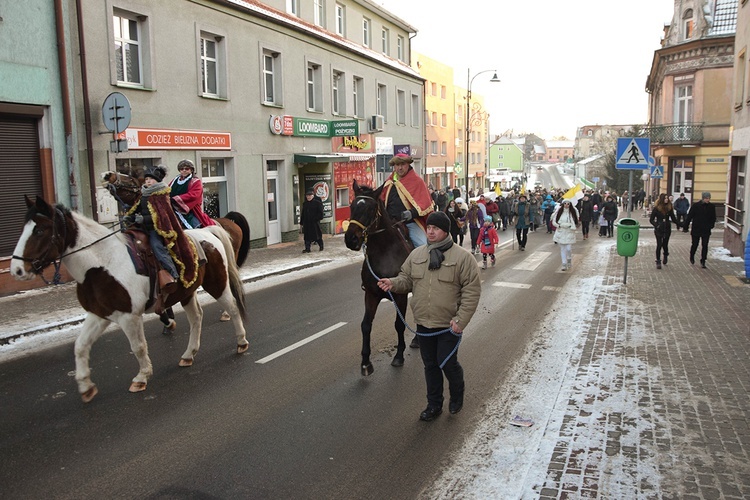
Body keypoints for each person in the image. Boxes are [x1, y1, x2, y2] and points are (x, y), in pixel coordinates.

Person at [376, 211, 481, 421]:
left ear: (445, 231)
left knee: (447, 363)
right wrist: (393, 283)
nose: (430, 232)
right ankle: (434, 405)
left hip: (449, 323)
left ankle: (457, 395)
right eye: (429, 228)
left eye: (435, 228)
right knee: (430, 365)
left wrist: (461, 320)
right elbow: (406, 279)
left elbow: (472, 291)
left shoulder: (462, 258)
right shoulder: (417, 255)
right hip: (423, 323)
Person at [125, 165, 198, 313]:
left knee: (157, 247)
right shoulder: (144, 193)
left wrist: (142, 219)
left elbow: (161, 217)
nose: (148, 181)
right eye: (146, 179)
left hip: (157, 230)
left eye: (150, 179)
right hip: (142, 228)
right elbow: (136, 208)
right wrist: (130, 217)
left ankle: (172, 272)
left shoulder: (161, 194)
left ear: (157, 181)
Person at [380, 154, 434, 248]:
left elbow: (425, 204)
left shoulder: (417, 182)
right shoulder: (389, 182)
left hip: (410, 223)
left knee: (423, 247)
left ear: (408, 165)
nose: (400, 168)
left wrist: (411, 213)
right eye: (397, 165)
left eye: (403, 164)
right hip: (390, 223)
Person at [168, 159, 216, 229]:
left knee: (195, 225)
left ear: (191, 170)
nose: (184, 170)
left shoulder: (195, 181)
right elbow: (168, 190)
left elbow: (194, 195)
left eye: (186, 168)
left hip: (190, 209)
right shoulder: (175, 180)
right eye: (181, 169)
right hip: (173, 207)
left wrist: (176, 199)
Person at [683, 192, 717, 268]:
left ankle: (703, 260)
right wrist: (686, 226)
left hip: (706, 229)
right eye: (706, 198)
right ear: (703, 198)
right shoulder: (696, 206)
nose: (708, 200)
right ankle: (692, 255)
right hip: (696, 229)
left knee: (705, 245)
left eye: (709, 198)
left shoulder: (711, 207)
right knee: (695, 244)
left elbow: (713, 218)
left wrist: (711, 225)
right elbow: (690, 216)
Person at [649, 193, 678, 269]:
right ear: (662, 199)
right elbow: (651, 220)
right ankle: (658, 261)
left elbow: (674, 219)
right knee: (659, 245)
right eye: (665, 198)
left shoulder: (669, 208)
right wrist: (657, 225)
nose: (666, 199)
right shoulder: (656, 208)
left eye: (667, 198)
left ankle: (665, 254)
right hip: (659, 229)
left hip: (667, 228)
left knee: (665, 244)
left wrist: (681, 224)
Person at [552, 200, 579, 271]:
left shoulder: (572, 213)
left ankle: (569, 258)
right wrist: (559, 226)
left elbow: (576, 221)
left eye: (568, 204)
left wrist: (571, 226)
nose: (566, 205)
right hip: (561, 232)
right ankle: (564, 263)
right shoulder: (559, 212)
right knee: (562, 248)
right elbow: (554, 221)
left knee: (568, 248)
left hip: (569, 232)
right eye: (565, 204)